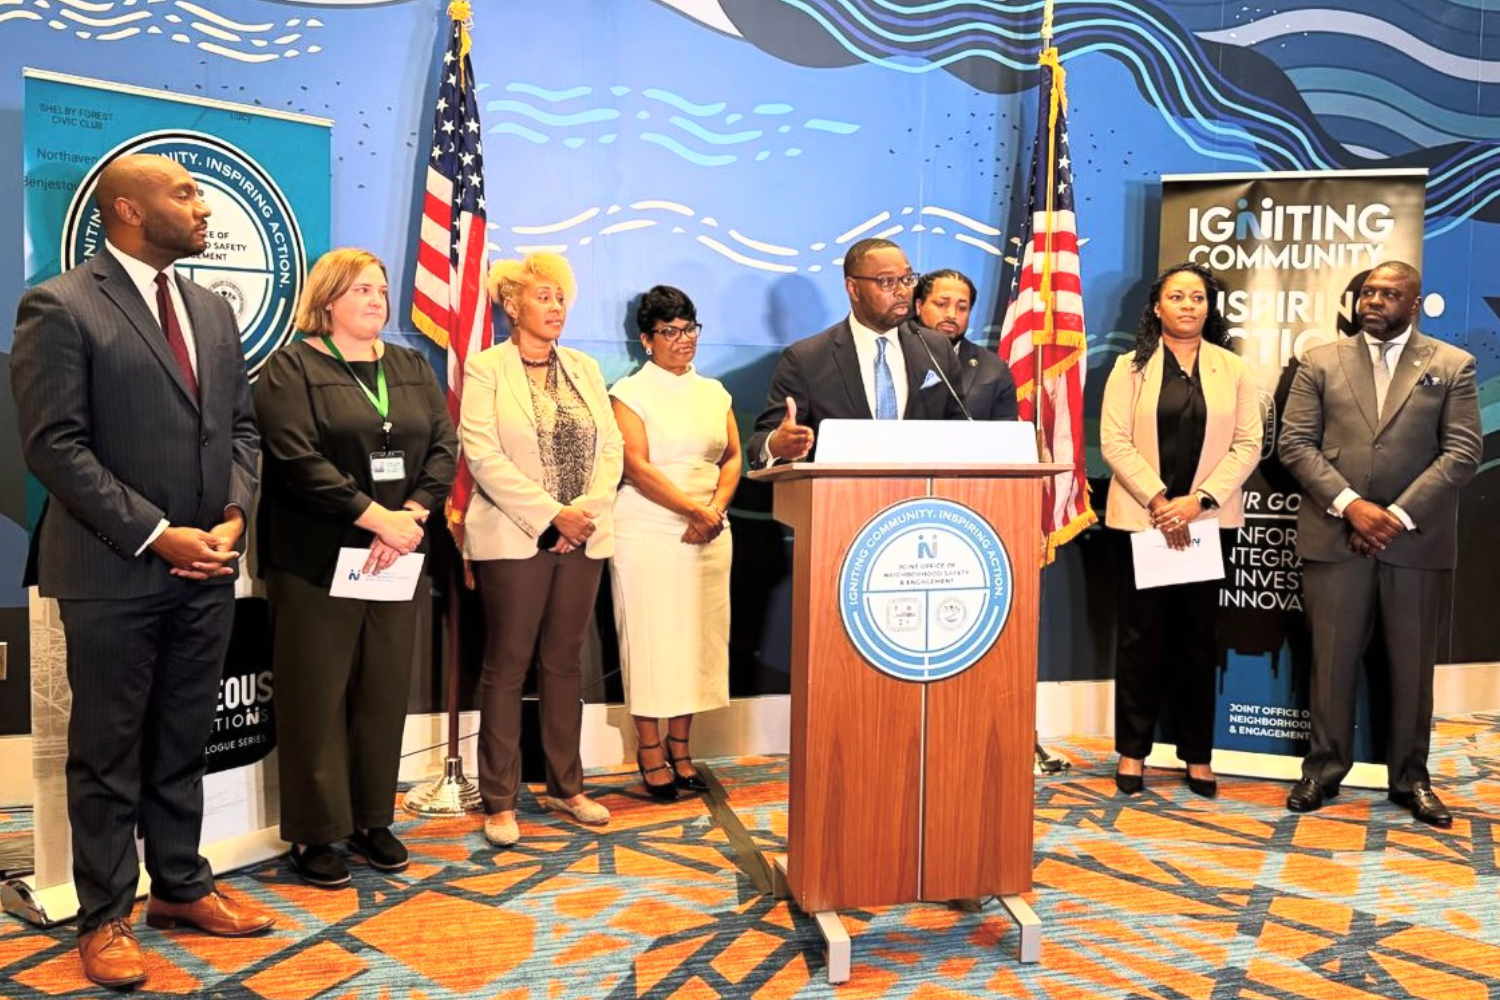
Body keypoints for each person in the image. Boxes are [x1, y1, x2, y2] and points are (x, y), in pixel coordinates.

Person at [10, 153, 274, 988]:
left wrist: (233, 514)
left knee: (182, 739)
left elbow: (240, 431)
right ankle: (105, 918)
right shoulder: (59, 306)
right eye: (186, 192)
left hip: (209, 569)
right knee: (107, 752)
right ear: (126, 209)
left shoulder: (210, 309)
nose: (203, 208)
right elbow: (55, 446)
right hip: (112, 570)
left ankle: (180, 887)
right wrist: (159, 534)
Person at [253, 248, 456, 887]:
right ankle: (316, 835)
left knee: (381, 693)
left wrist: (413, 515)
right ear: (329, 299)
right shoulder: (290, 367)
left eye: (381, 288)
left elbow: (444, 449)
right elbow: (297, 459)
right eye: (361, 289)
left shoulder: (410, 366)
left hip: (398, 556)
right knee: (316, 699)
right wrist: (377, 518)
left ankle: (372, 819)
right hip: (317, 560)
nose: (376, 299)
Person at [1278, 261, 1481, 827]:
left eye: (1389, 294)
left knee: (1412, 669)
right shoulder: (1319, 361)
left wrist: (1393, 515)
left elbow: (1462, 452)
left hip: (1416, 544)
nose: (1375, 301)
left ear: (1414, 304)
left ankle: (1412, 779)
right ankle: (1320, 770)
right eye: (1368, 292)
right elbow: (1294, 444)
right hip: (1336, 537)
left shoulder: (1452, 365)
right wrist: (1352, 507)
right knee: (1331, 663)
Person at [461, 253, 624, 846]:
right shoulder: (485, 370)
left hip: (585, 534)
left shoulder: (582, 366)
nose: (556, 307)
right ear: (512, 304)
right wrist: (551, 514)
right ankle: (500, 800)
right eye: (544, 296)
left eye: (562, 297)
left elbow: (612, 450)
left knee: (564, 661)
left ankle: (566, 785)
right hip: (512, 534)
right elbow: (482, 454)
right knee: (506, 666)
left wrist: (583, 514)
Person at [1099, 262, 1262, 798]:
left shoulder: (1233, 369)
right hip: (1143, 522)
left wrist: (1200, 502)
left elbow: (1247, 445)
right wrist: (1161, 500)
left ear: (1209, 308)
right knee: (1141, 641)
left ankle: (1198, 755)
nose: (1188, 305)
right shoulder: (1129, 367)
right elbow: (1114, 442)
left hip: (1208, 524)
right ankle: (1133, 752)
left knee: (1198, 641)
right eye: (1177, 296)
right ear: (1156, 307)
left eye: (1197, 297)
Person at [609, 286, 739, 800]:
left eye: (689, 328)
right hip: (648, 528)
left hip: (709, 527)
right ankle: (650, 751)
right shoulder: (630, 393)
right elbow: (635, 466)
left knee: (695, 640)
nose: (682, 339)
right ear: (646, 339)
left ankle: (682, 747)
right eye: (669, 331)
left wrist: (714, 512)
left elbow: (731, 458)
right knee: (651, 639)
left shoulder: (715, 392)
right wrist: (691, 510)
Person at [745, 238, 965, 468]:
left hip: (920, 499)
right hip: (839, 498)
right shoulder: (807, 359)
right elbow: (760, 444)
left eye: (907, 279)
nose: (902, 291)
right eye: (887, 281)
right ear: (853, 288)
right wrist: (776, 444)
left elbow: (960, 433)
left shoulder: (936, 349)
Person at [913, 268, 1018, 420]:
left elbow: (1005, 437)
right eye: (942, 304)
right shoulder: (894, 355)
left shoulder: (993, 369)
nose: (951, 314)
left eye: (962, 308)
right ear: (919, 306)